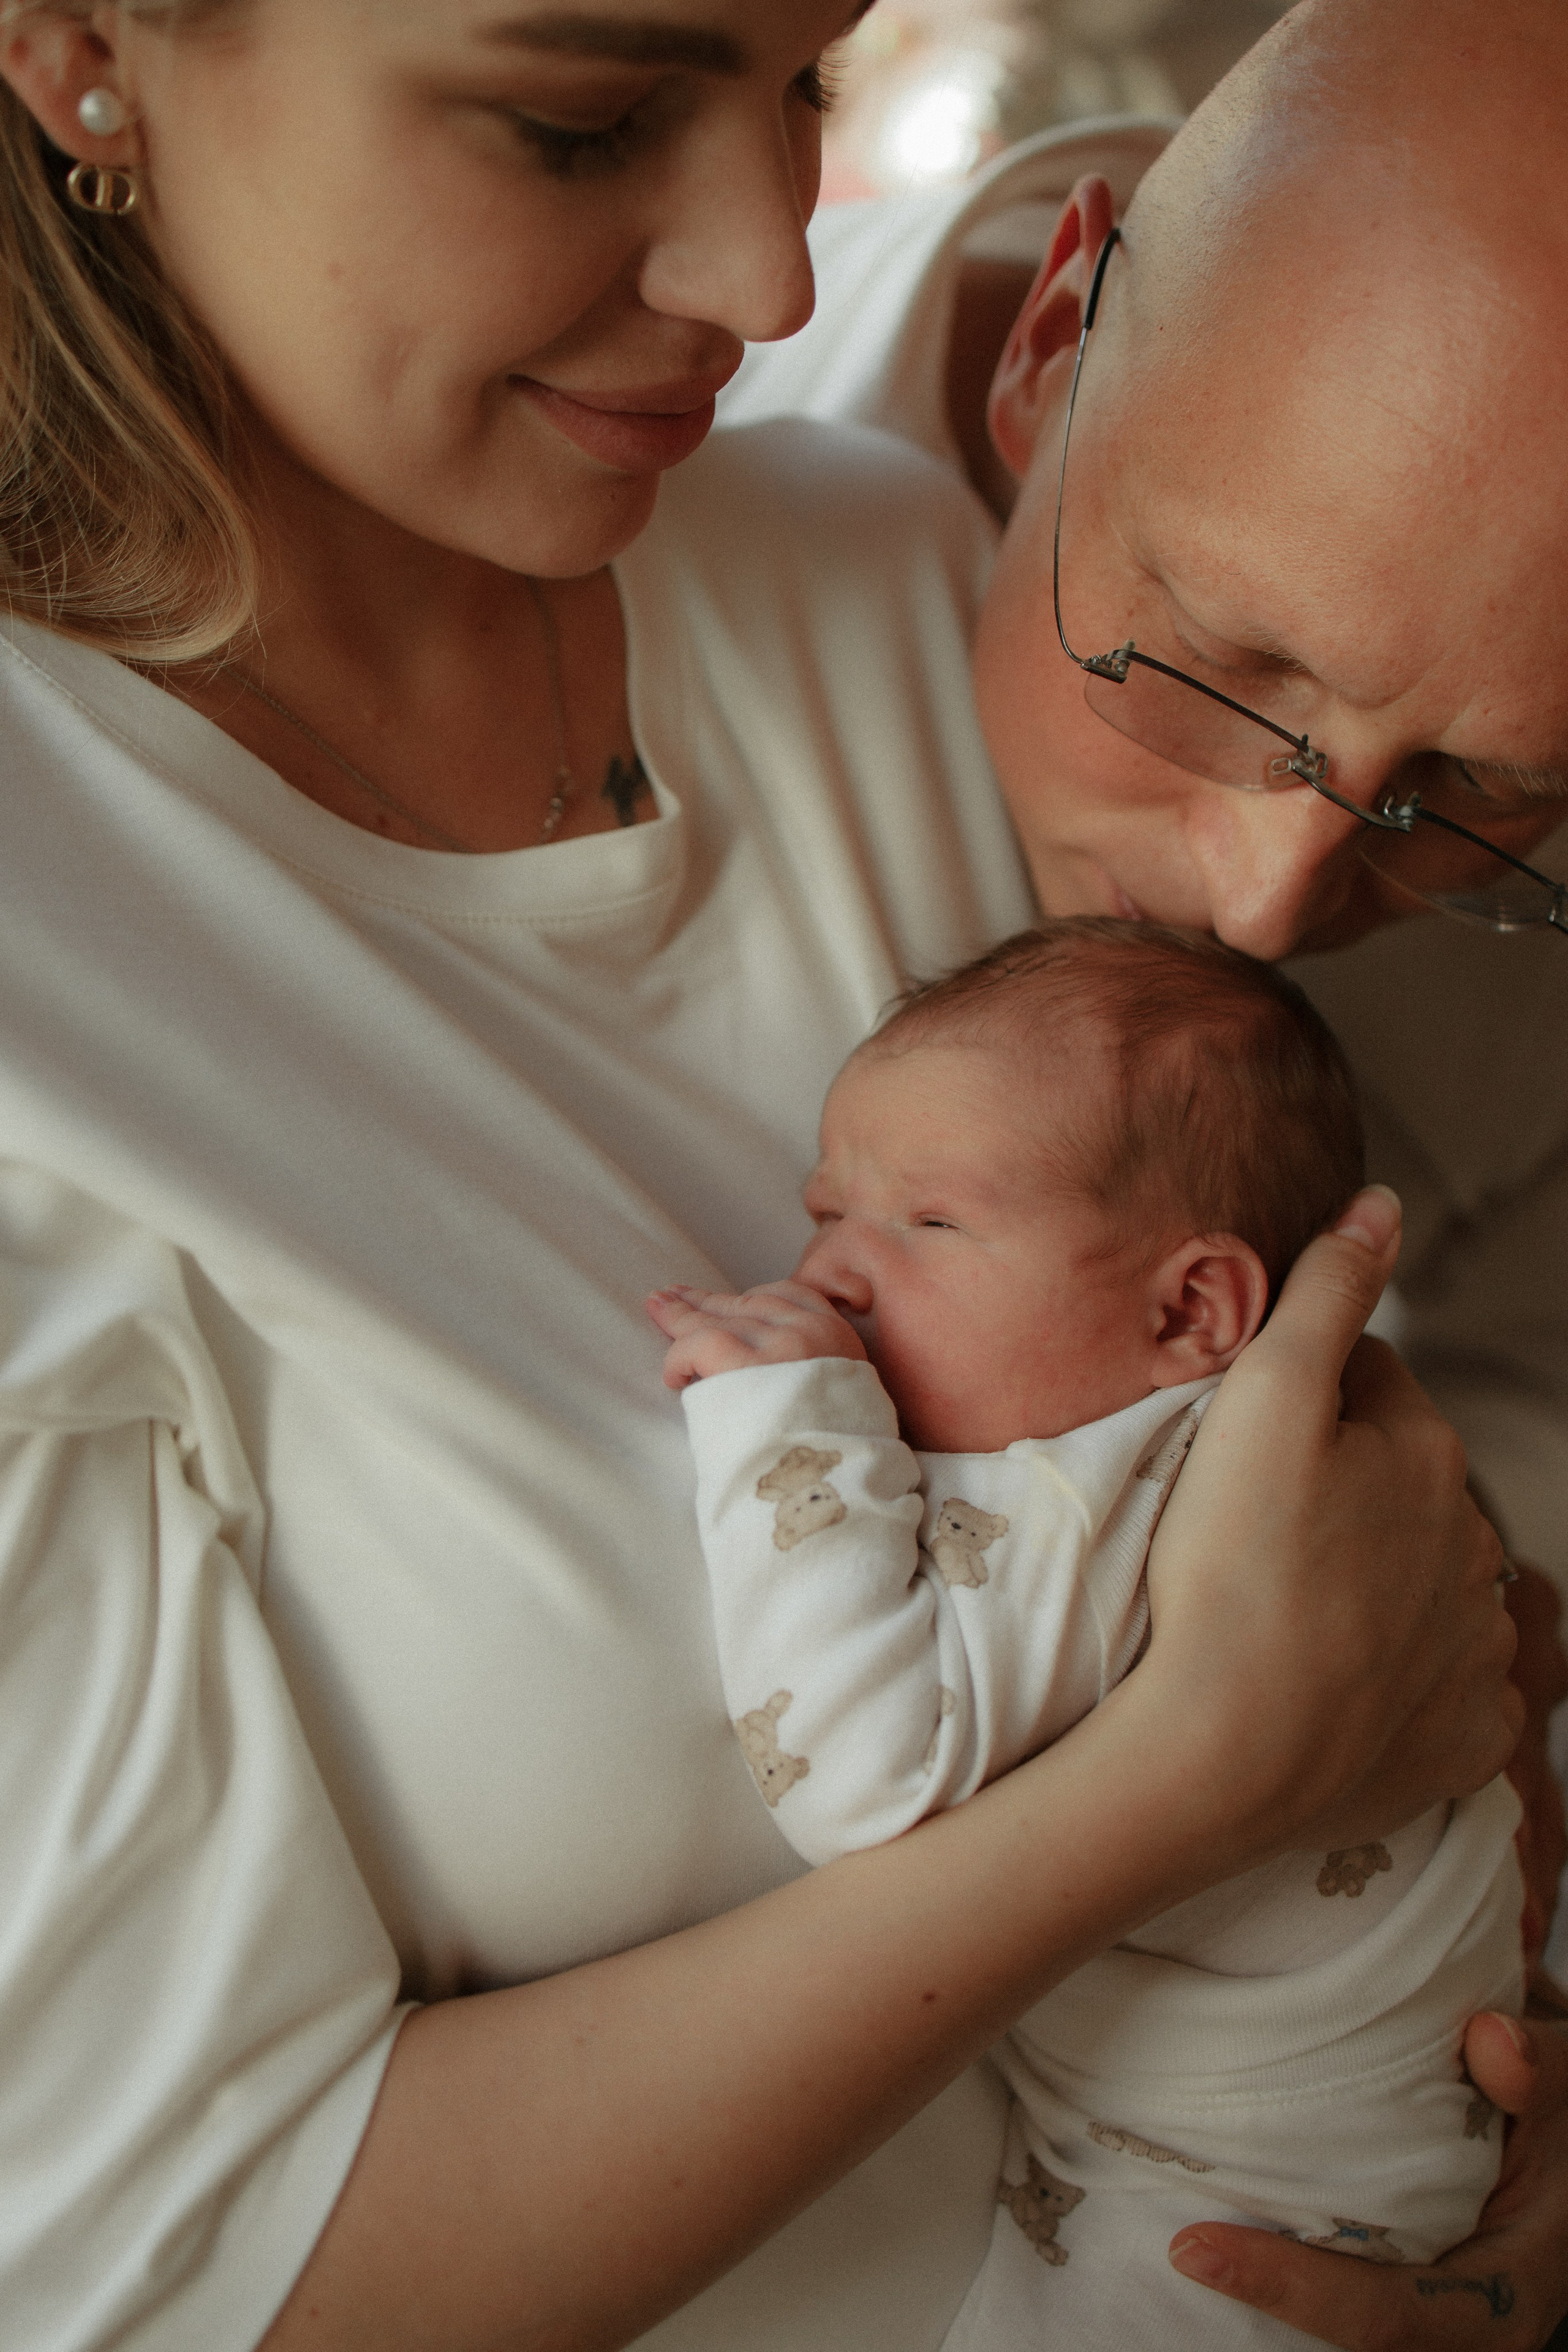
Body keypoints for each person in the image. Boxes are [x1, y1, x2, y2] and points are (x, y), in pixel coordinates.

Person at [0, 3, 1545, 2350]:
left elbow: (1322, 1515)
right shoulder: (57, 957)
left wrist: (1448, 2100)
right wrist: (1206, 1773)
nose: (770, 277)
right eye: (582, 116)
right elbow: (151, 2270)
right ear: (88, 45)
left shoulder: (896, 582)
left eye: (806, 86)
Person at [654, 919, 1524, 2348]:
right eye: (826, 1210)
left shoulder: (1079, 1501)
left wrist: (778, 1423)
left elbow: (863, 1782)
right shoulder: (1279, 1461)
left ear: (1189, 1307)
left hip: (1248, 2207)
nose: (834, 1275)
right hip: (1335, 2145)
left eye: (927, 1224)